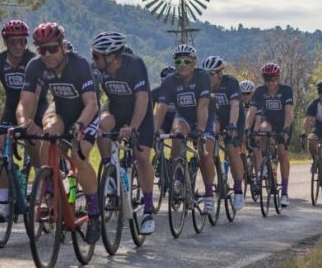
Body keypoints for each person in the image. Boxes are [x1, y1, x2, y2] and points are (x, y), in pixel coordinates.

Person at [16, 22, 101, 244]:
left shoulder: (80, 64)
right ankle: (49, 190)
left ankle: (94, 214)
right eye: (42, 50)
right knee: (49, 132)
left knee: (78, 156)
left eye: (52, 48)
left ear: (63, 46)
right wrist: (24, 122)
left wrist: (81, 124)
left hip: (86, 114)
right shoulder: (35, 66)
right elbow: (24, 102)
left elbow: (91, 103)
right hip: (61, 110)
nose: (47, 55)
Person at [0, 20, 48, 221]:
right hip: (11, 108)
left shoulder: (34, 61)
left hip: (36, 107)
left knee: (33, 141)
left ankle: (41, 184)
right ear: (6, 42)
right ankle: (3, 200)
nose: (18, 46)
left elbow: (36, 93)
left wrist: (29, 122)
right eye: (13, 42)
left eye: (22, 42)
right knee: (2, 147)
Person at [91, 31, 157, 234]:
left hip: (140, 115)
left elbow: (143, 99)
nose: (93, 59)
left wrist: (133, 127)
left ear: (111, 57)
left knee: (142, 156)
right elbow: (93, 98)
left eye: (96, 56)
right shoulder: (98, 69)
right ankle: (110, 173)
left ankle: (148, 209)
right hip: (115, 110)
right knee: (102, 126)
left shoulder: (135, 65)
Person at [154, 44, 217, 214]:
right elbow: (162, 107)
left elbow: (203, 105)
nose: (182, 65)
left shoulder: (202, 77)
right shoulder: (170, 81)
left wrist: (201, 130)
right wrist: (154, 129)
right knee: (177, 135)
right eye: (178, 61)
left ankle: (210, 195)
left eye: (186, 61)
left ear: (194, 63)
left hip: (205, 117)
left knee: (205, 154)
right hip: (184, 117)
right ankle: (179, 177)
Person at [245, 63, 294, 206]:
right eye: (267, 79)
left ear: (278, 78)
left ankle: (284, 192)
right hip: (268, 121)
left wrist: (285, 130)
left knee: (282, 153)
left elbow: (289, 111)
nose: (270, 83)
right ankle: (265, 162)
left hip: (283, 122)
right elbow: (252, 110)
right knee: (262, 130)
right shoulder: (260, 91)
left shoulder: (286, 90)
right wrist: (247, 129)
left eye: (273, 79)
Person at [203, 55, 245, 211]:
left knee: (231, 149)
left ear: (220, 73)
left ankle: (239, 190)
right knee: (208, 140)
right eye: (206, 74)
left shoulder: (230, 82)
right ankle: (210, 187)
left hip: (234, 118)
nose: (209, 77)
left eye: (211, 74)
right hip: (217, 117)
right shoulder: (205, 84)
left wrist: (233, 125)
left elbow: (235, 105)